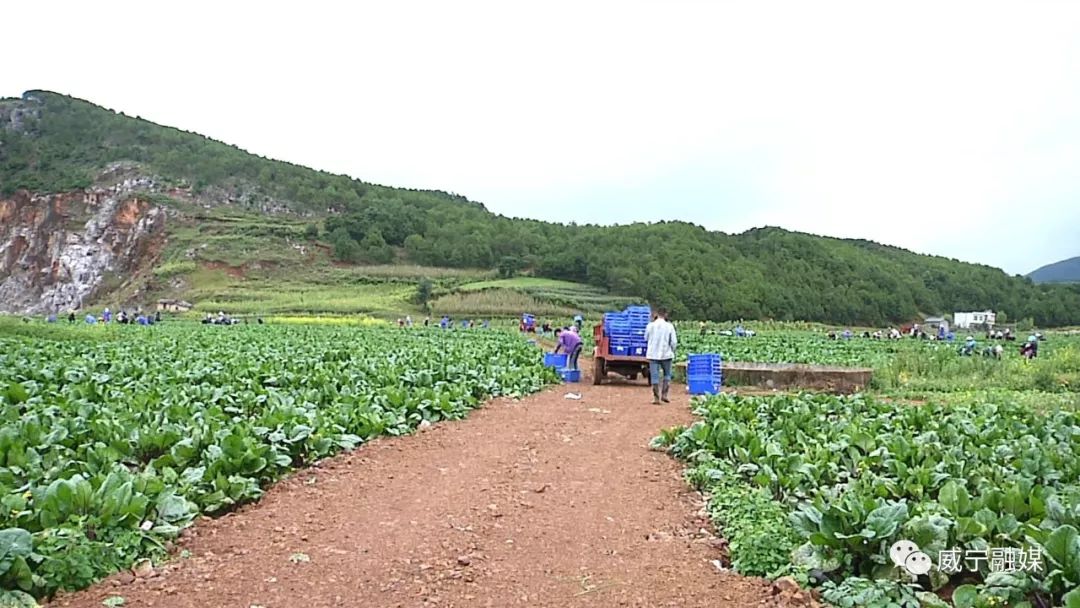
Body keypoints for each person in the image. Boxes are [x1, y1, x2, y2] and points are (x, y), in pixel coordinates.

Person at [645, 307, 678, 404]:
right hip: (666, 354)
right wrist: (672, 350)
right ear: (666, 315)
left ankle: (656, 398)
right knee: (667, 374)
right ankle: (664, 395)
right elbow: (674, 342)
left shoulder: (650, 326)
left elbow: (645, 338)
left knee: (655, 376)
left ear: (656, 314)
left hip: (653, 354)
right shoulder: (669, 326)